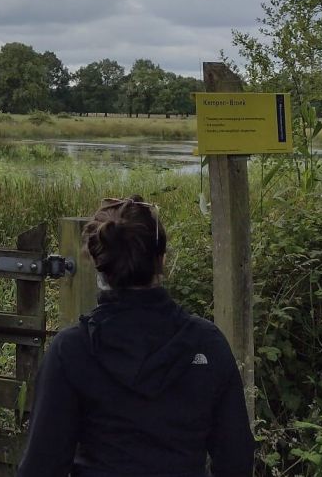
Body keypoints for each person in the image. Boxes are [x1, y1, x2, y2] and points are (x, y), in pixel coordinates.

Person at [17, 196, 254, 476]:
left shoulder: (71, 350)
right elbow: (236, 458)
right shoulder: (207, 343)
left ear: (97, 262)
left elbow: (42, 465)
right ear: (162, 260)